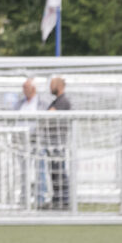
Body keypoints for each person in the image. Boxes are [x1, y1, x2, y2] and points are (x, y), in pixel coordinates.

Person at [44, 76, 71, 209]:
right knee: (54, 172)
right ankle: (57, 199)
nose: (50, 87)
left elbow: (48, 115)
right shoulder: (56, 101)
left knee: (59, 171)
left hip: (58, 143)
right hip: (52, 142)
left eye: (52, 84)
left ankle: (64, 200)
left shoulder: (63, 101)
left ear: (59, 86)